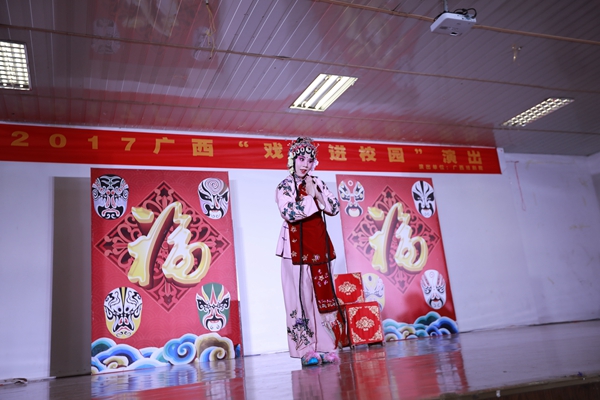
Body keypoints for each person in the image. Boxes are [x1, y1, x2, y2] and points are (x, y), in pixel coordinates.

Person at [275, 137, 342, 367]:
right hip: (294, 249)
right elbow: (289, 212)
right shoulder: (284, 186)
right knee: (299, 299)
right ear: (292, 160)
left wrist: (319, 193)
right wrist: (312, 198)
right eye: (301, 158)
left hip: (319, 247)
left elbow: (334, 207)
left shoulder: (317, 182)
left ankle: (326, 346)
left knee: (321, 297)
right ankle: (305, 349)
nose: (305, 164)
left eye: (309, 160)